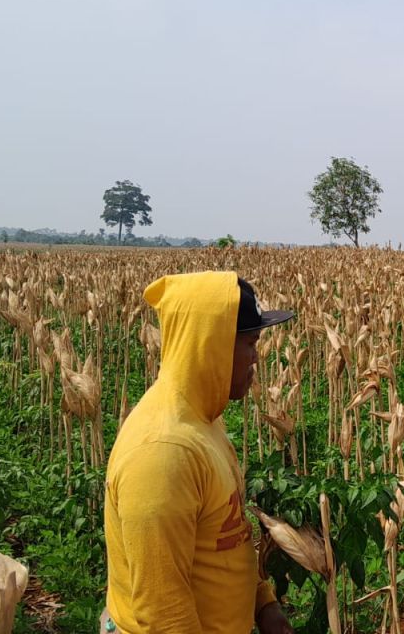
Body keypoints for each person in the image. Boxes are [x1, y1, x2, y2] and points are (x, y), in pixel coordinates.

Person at [103, 271, 294, 633]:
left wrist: (262, 603)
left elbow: (223, 536)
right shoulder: (163, 454)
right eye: (250, 343)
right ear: (211, 345)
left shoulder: (203, 420)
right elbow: (162, 613)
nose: (256, 358)